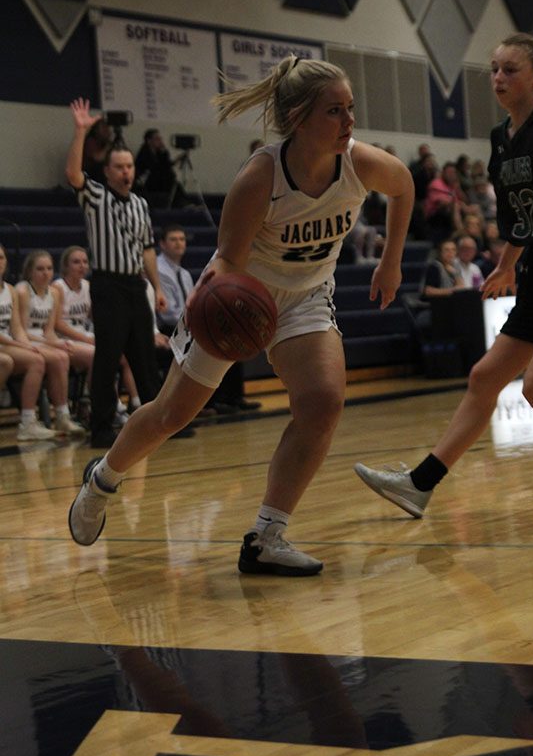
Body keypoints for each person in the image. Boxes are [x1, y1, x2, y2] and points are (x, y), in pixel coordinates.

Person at [67, 55, 415, 575]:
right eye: (334, 111)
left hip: (307, 298)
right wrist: (214, 283)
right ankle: (103, 478)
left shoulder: (360, 163)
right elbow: (230, 254)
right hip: (241, 296)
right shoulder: (261, 176)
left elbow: (404, 185)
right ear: (298, 119)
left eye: (350, 109)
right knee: (172, 414)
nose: (349, 122)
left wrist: (390, 262)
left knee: (322, 403)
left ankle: (266, 536)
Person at [355, 31, 533, 519]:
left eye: (510, 69)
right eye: (494, 69)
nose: (498, 78)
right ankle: (419, 485)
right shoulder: (500, 139)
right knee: (485, 377)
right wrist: (507, 265)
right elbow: (521, 217)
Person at [64, 101, 165, 448]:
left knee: (144, 358)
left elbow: (148, 248)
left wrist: (158, 286)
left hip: (135, 285)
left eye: (129, 166)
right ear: (106, 171)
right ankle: (102, 428)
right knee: (108, 358)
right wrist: (80, 131)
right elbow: (73, 175)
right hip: (107, 285)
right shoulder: (94, 195)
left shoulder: (141, 204)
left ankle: (158, 423)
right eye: (119, 167)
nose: (125, 172)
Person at [155, 223, 259, 413]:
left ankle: (232, 398)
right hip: (166, 327)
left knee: (233, 334)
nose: (179, 244)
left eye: (182, 239)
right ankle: (207, 402)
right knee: (213, 337)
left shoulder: (184, 273)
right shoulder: (158, 270)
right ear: (162, 244)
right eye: (173, 240)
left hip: (186, 320)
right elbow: (167, 312)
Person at [51, 245, 142, 428]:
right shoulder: (58, 287)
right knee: (100, 356)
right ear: (66, 266)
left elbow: (96, 316)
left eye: (85, 261)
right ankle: (108, 403)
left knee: (119, 353)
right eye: (76, 262)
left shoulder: (88, 286)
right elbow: (57, 324)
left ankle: (112, 402)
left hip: (84, 337)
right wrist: (87, 338)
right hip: (62, 339)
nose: (82, 266)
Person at [16, 250, 85, 436]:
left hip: (42, 341)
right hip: (25, 339)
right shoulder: (22, 291)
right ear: (30, 271)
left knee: (63, 355)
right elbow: (21, 331)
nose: (45, 273)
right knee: (58, 357)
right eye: (40, 269)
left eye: (49, 268)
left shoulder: (53, 293)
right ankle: (29, 421)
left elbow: (48, 331)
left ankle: (63, 416)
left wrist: (57, 343)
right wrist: (52, 345)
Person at [0, 244, 56, 440]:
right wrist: (22, 345)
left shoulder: (9, 290)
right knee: (6, 361)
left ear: (6, 262)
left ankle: (28, 422)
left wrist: (28, 345)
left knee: (36, 358)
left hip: (7, 343)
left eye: (1, 258)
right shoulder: (21, 290)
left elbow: (16, 329)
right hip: (4, 344)